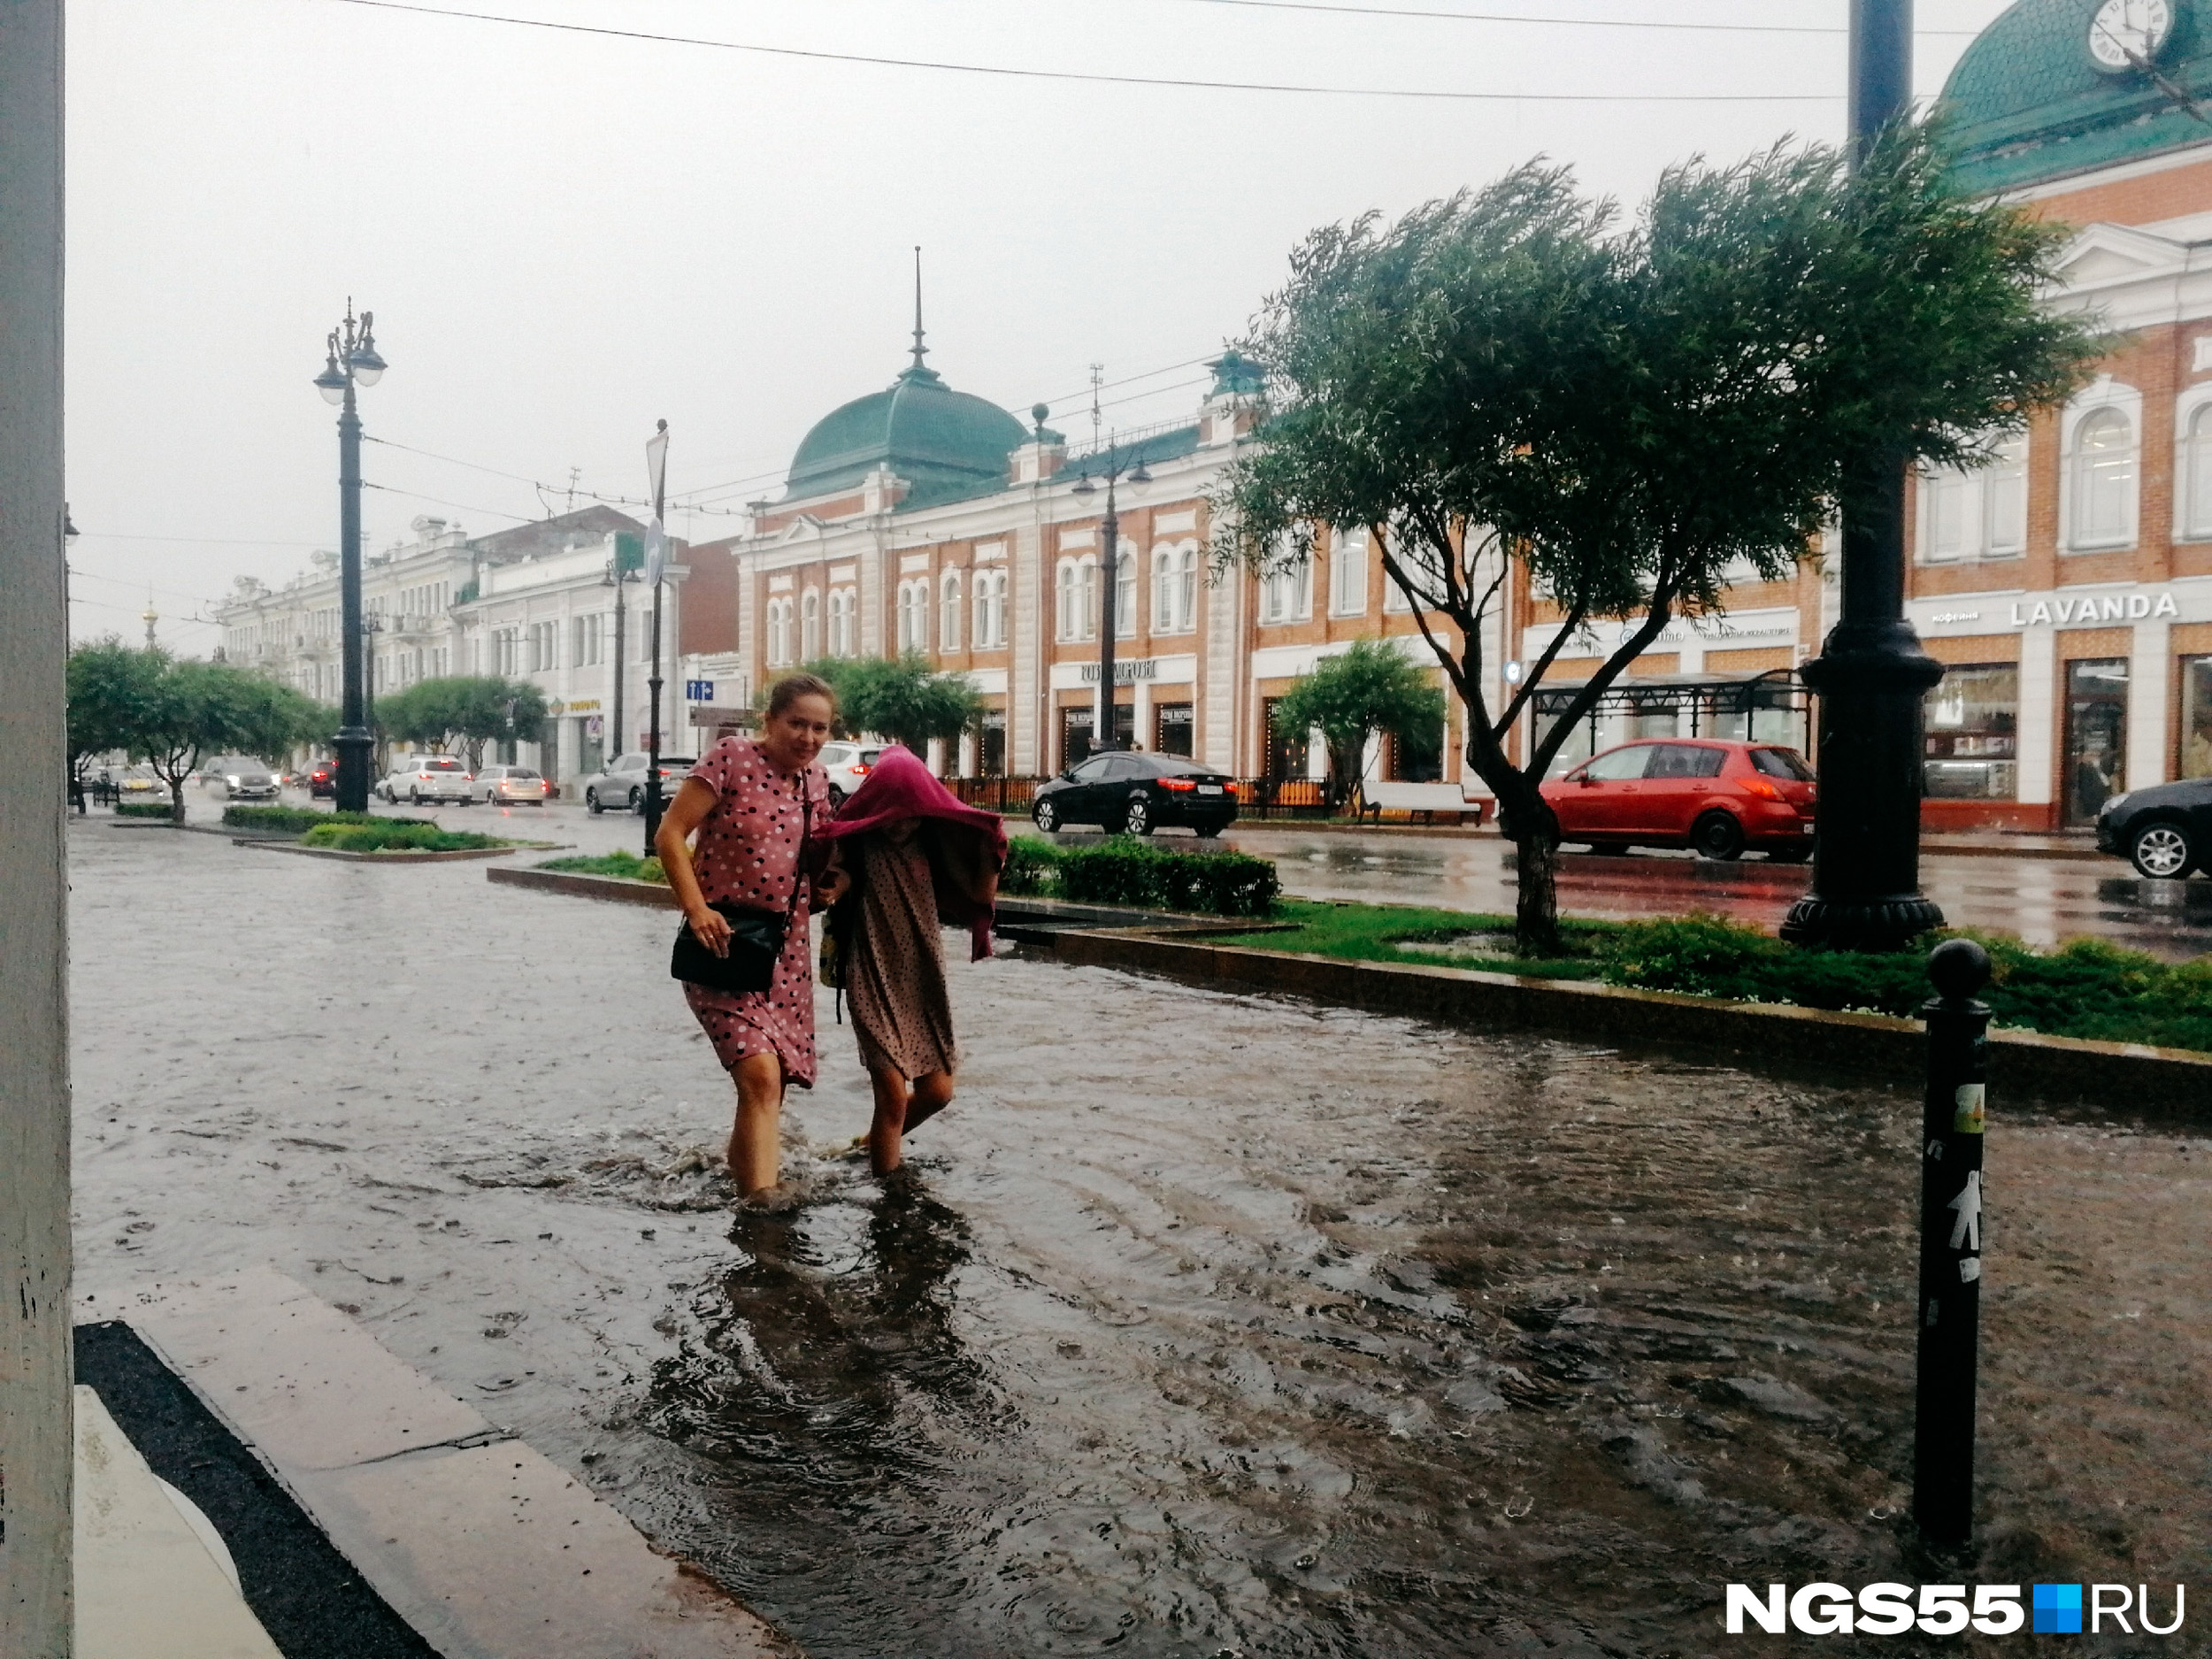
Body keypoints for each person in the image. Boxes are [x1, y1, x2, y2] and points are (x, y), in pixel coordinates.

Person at [655, 672, 835, 1203]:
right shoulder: (730, 759)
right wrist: (697, 909)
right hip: (722, 943)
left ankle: (742, 1183)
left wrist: (832, 888)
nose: (807, 736)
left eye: (819, 727)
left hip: (786, 953)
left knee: (769, 1084)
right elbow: (669, 834)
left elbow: (827, 857)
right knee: (758, 1076)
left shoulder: (817, 782)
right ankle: (763, 1211)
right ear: (770, 719)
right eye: (796, 723)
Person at [816, 747, 1007, 1178]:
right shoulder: (858, 844)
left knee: (938, 1092)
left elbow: (979, 895)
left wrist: (992, 847)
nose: (902, 822)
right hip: (871, 973)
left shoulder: (932, 844)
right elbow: (833, 875)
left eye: (913, 812)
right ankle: (889, 1200)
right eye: (894, 811)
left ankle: (869, 1146)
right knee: (891, 1098)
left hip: (922, 977)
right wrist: (832, 886)